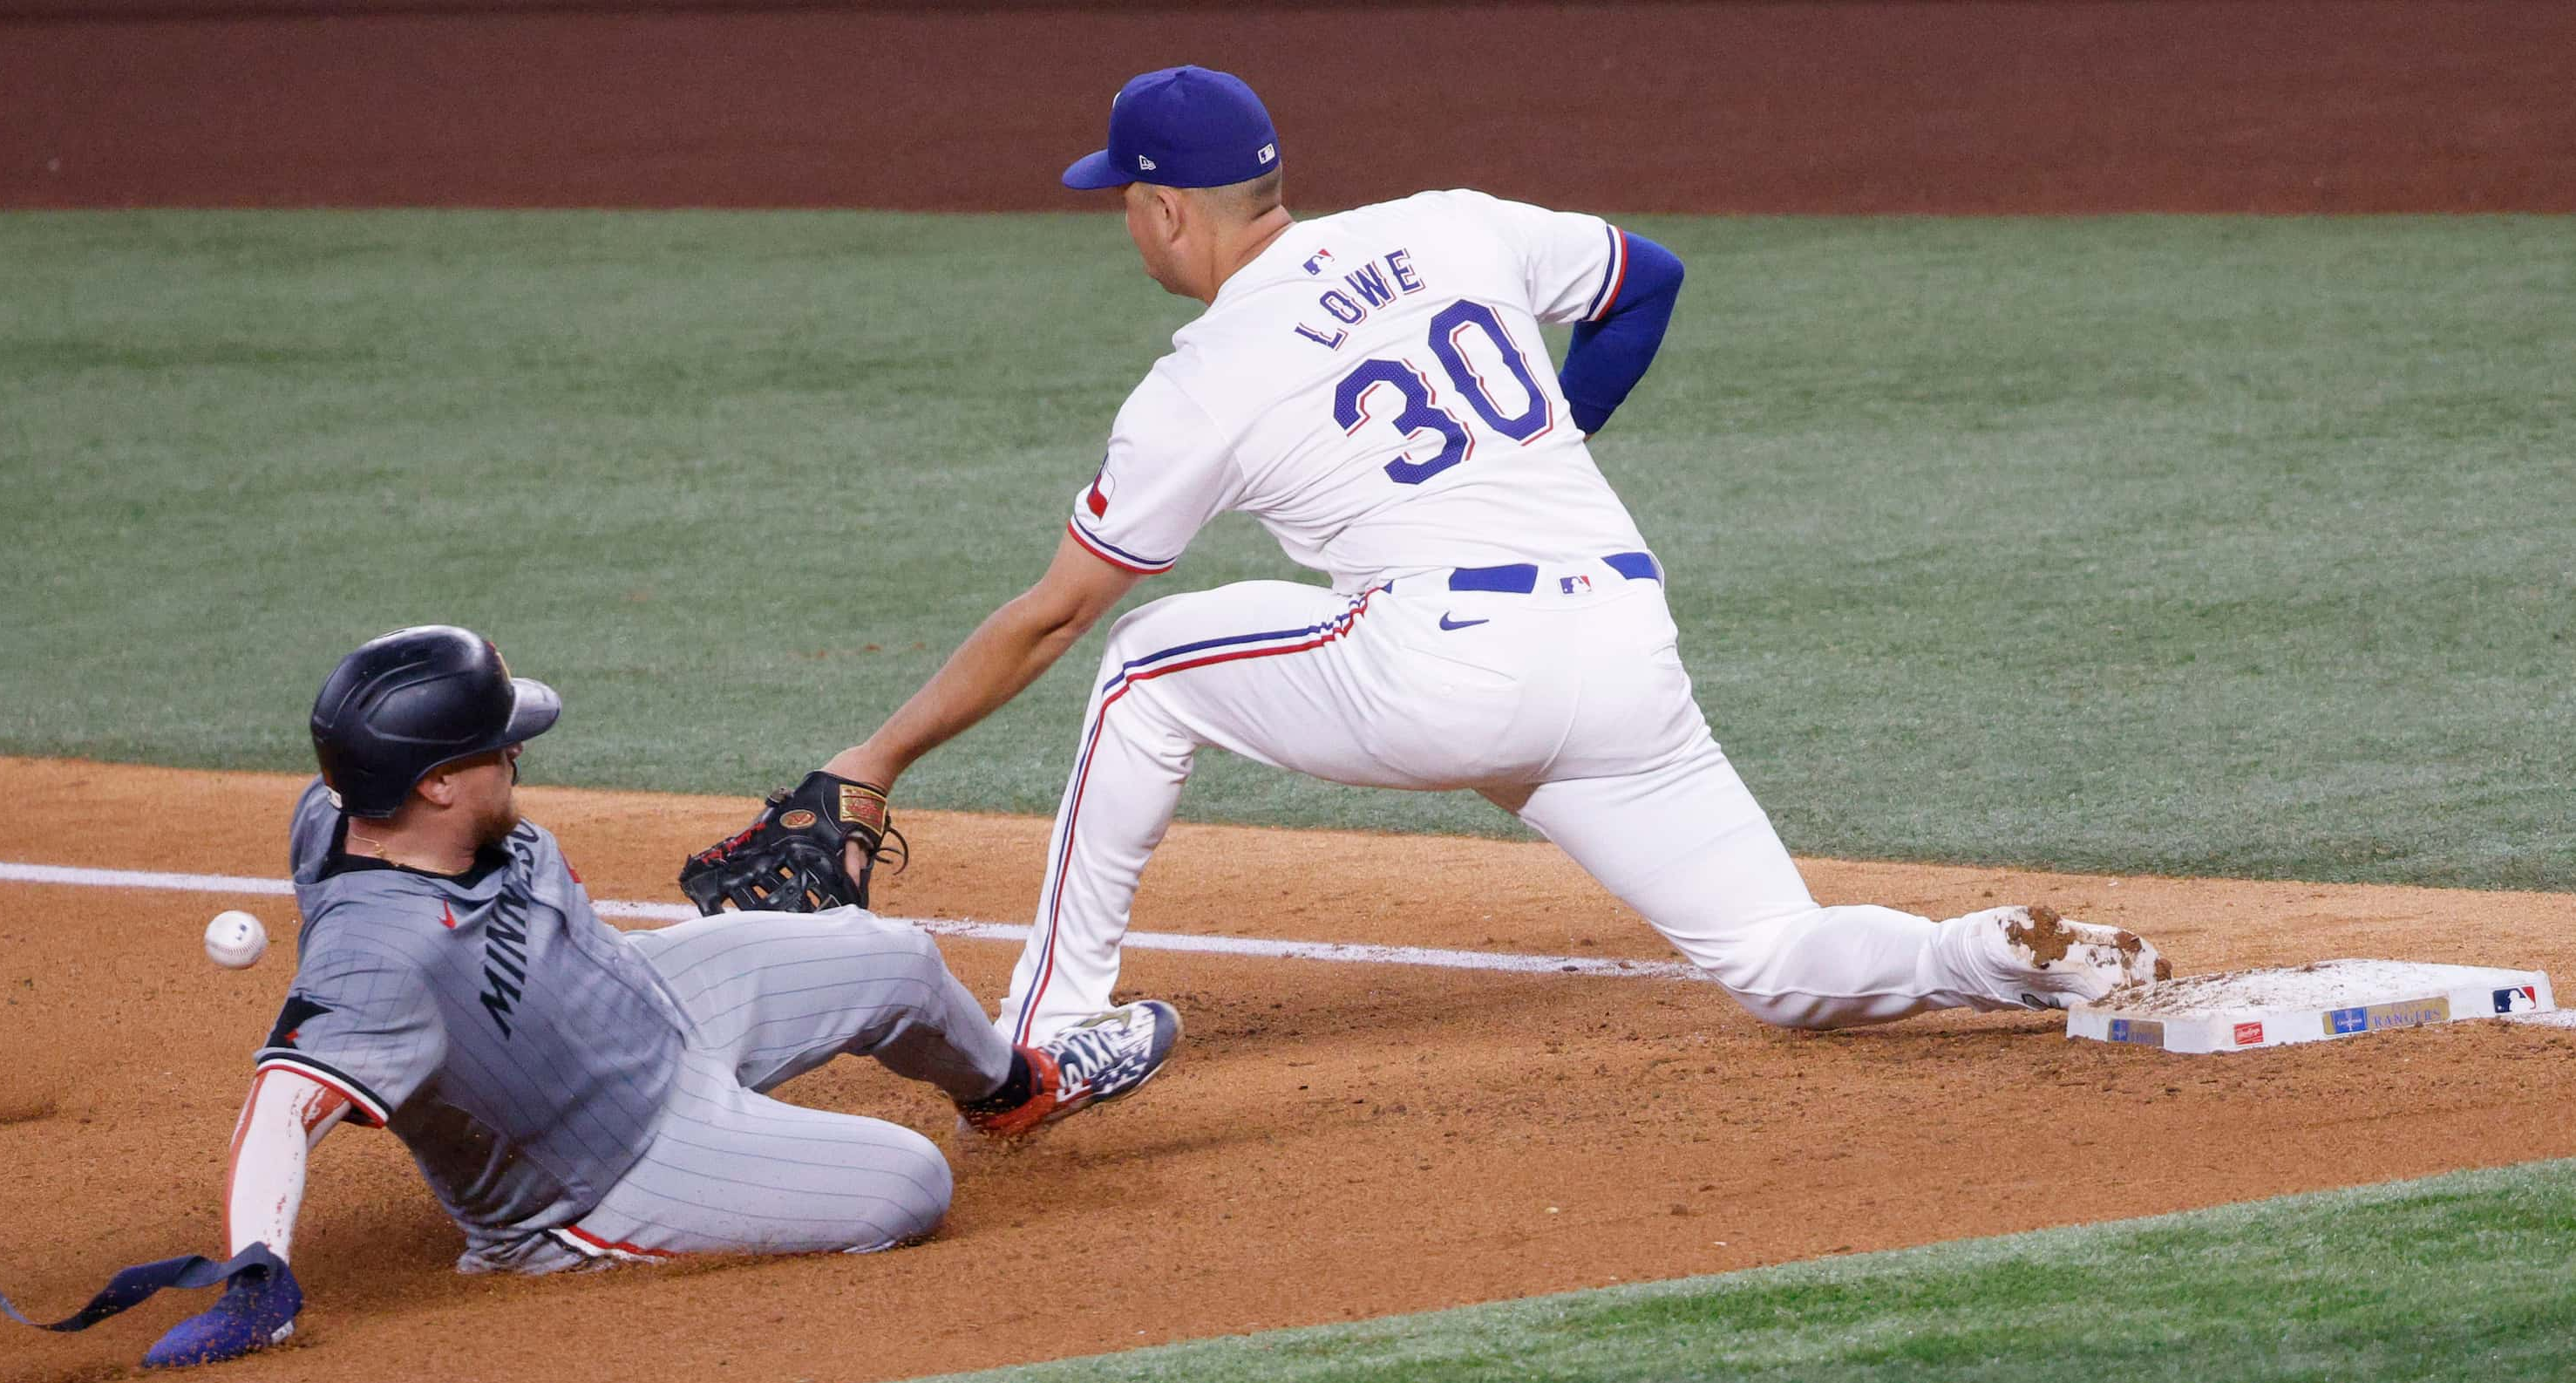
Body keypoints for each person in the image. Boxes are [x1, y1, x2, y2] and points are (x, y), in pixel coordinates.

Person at [817, 66, 2167, 1057]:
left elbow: (1052, 614)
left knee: (1139, 667)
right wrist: (1545, 442)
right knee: (1773, 954)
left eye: (1123, 202)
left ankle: (1047, 1030)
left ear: (1169, 212)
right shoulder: (1451, 222)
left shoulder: (1207, 373)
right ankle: (1982, 952)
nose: (1121, 225)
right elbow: (1650, 278)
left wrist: (874, 758)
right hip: (1626, 645)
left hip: (1445, 664)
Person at [15, 626, 1178, 1370]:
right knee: (905, 1184)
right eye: (495, 747)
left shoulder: (350, 809)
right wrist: (258, 1262)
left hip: (660, 1007)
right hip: (612, 1163)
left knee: (898, 958)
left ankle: (1013, 1090)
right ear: (431, 784)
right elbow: (282, 1101)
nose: (517, 757)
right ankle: (546, 1250)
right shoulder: (381, 955)